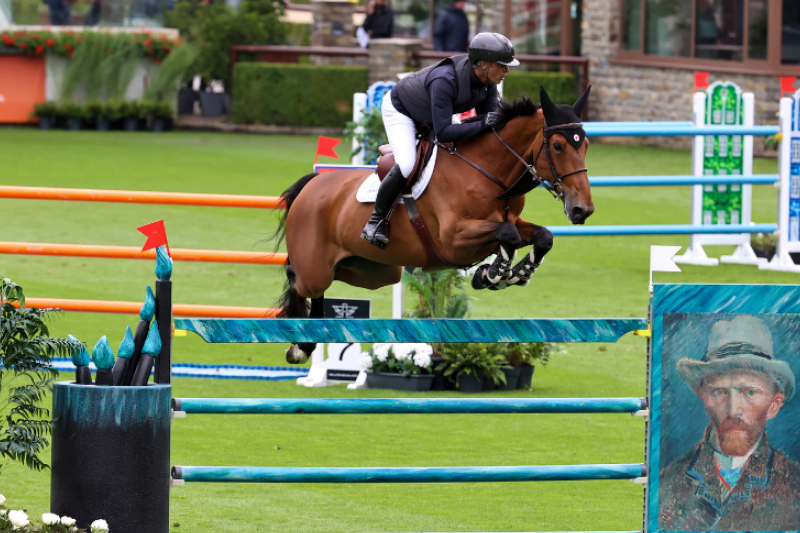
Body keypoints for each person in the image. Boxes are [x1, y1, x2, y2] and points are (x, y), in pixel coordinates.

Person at [360, 32, 519, 248]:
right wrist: (483, 124)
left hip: (432, 114)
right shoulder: (446, 80)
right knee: (407, 164)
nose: (507, 69)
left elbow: (488, 123)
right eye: (502, 65)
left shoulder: (487, 82)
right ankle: (375, 222)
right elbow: (445, 133)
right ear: (482, 64)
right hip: (402, 110)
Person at [659, 316, 800, 531]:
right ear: (704, 398)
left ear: (774, 405)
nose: (733, 410)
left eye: (750, 392)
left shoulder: (794, 485)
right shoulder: (667, 484)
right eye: (719, 392)